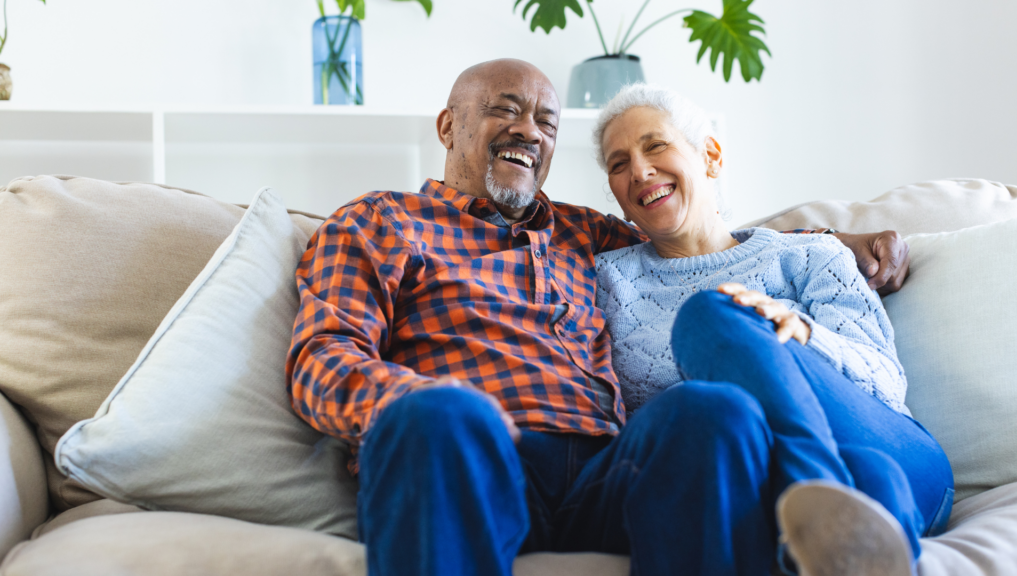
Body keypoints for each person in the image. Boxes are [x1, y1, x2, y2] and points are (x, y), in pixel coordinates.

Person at [285, 58, 914, 576]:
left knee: (711, 411)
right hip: (471, 454)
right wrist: (431, 401)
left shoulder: (585, 234)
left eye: (546, 122)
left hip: (606, 472)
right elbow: (322, 356)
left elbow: (699, 237)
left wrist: (835, 241)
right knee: (440, 416)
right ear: (449, 126)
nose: (529, 131)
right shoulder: (379, 220)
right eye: (506, 109)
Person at [594, 83, 954, 576]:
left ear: (711, 155)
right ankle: (831, 522)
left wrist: (800, 336)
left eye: (655, 146)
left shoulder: (812, 254)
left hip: (887, 442)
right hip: (756, 480)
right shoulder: (606, 282)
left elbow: (885, 384)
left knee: (711, 317)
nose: (638, 169)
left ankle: (817, 487)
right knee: (873, 479)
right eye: (618, 163)